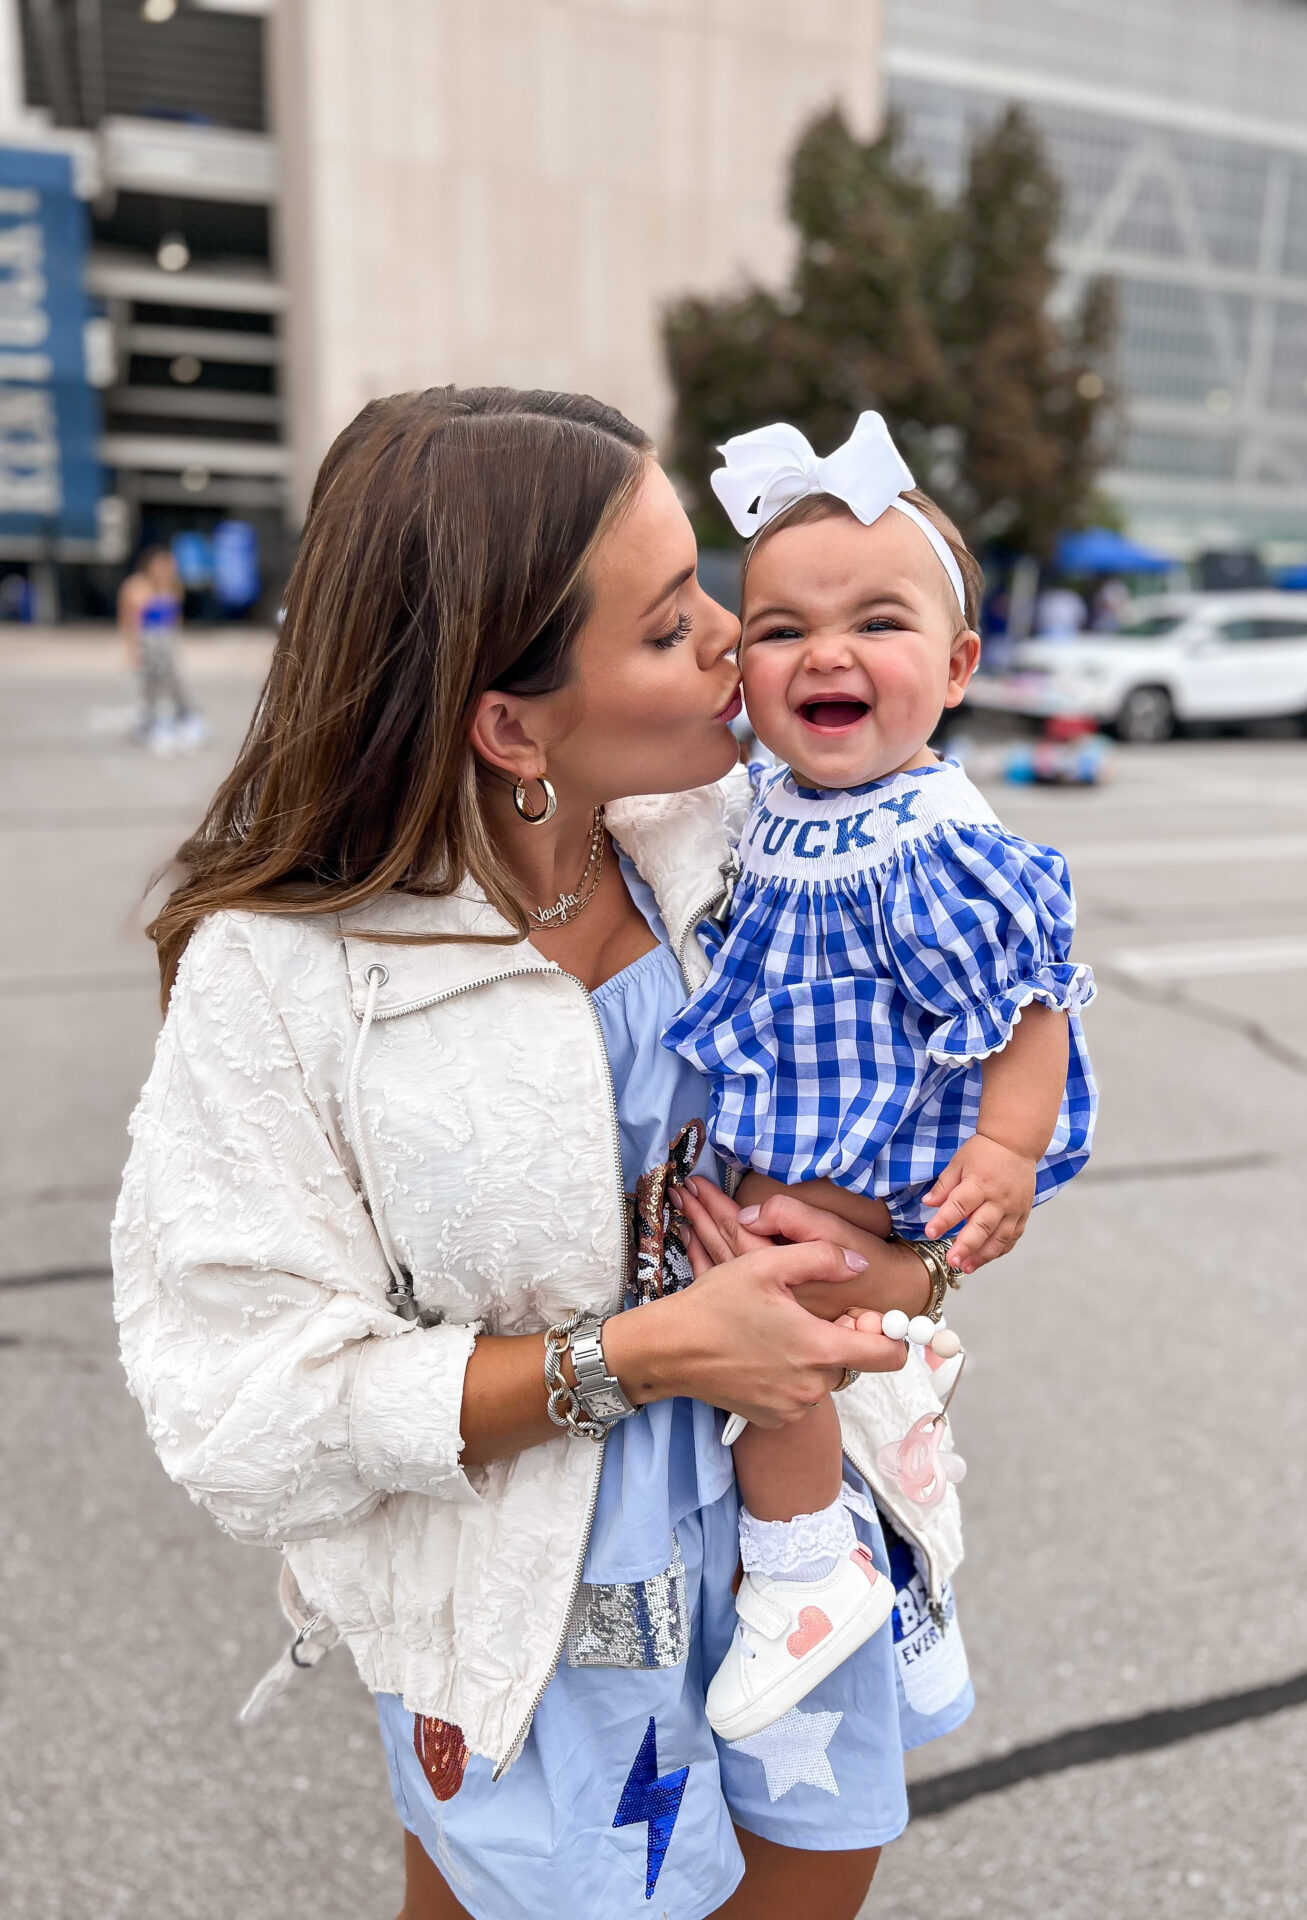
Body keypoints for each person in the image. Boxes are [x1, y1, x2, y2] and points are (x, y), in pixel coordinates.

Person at [112, 388, 976, 1920]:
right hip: (537, 1604)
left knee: (817, 1877)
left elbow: (941, 1134)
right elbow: (247, 1407)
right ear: (510, 723)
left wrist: (905, 1269)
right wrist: (636, 1355)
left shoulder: (752, 837)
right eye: (667, 628)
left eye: (705, 584)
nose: (734, 639)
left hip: (802, 1539)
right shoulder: (286, 973)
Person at [665, 413, 1098, 1741]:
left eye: (878, 623)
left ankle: (809, 1575)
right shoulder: (758, 799)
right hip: (791, 1142)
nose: (827, 653)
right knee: (807, 1335)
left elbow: (1034, 1009)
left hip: (873, 1158)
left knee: (778, 1328)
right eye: (782, 629)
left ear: (960, 665)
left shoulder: (933, 832)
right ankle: (904, 1587)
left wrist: (1010, 1154)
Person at [117, 544, 207, 753]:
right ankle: (151, 722)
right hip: (147, 642)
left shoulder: (173, 587)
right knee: (151, 682)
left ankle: (183, 716)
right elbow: (128, 621)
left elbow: (175, 620)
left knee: (176, 680)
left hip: (167, 641)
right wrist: (131, 649)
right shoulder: (135, 587)